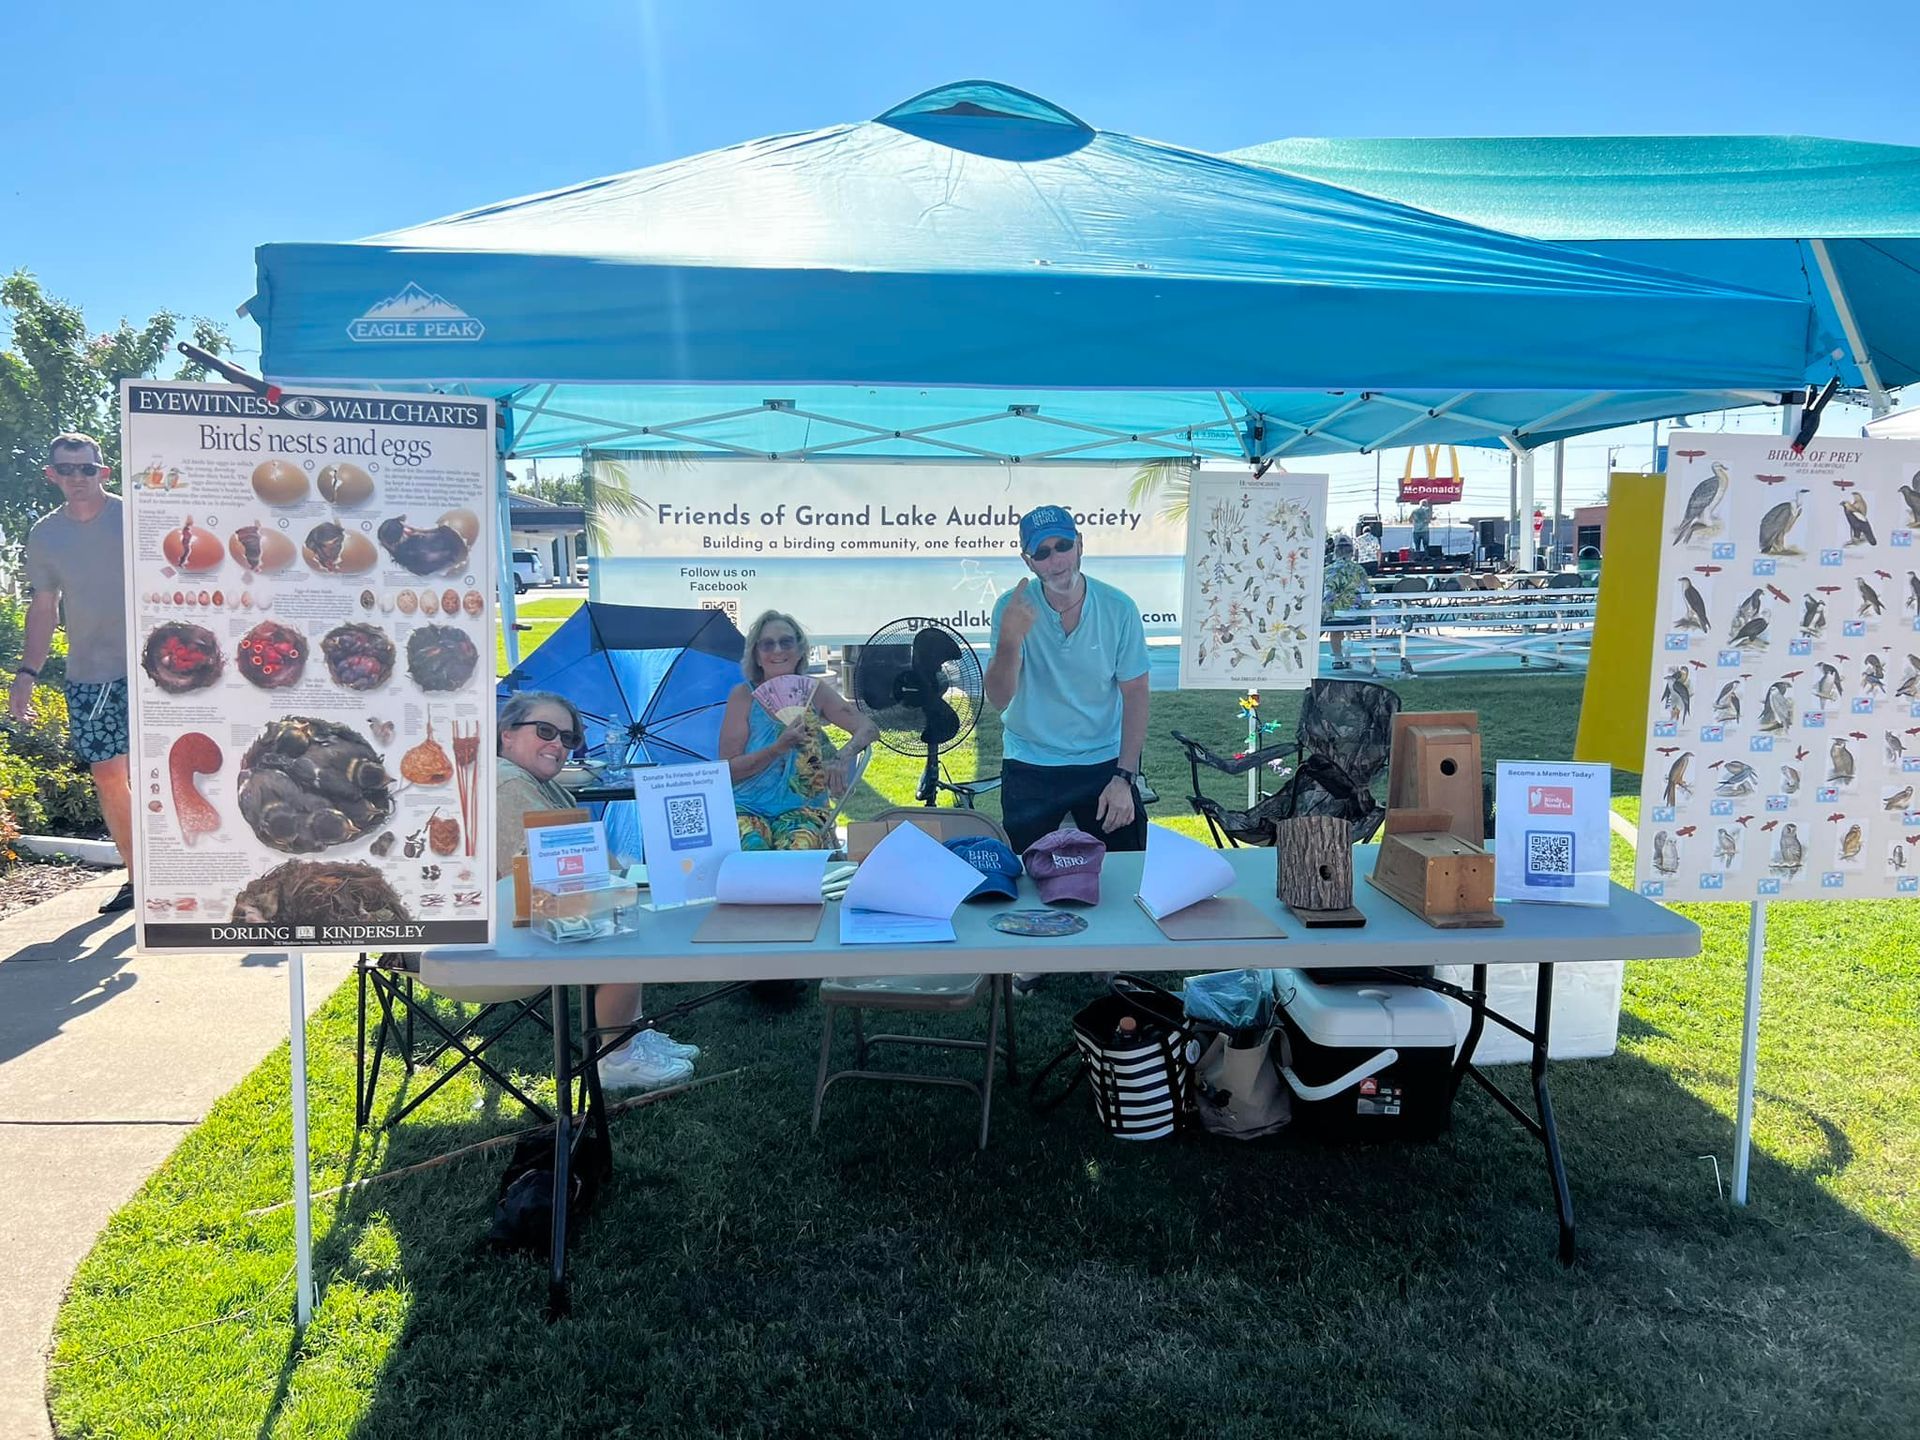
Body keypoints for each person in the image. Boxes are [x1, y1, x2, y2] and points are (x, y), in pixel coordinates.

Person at [497, 690, 695, 1090]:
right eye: (546, 731)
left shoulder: (533, 782)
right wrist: (627, 880)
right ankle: (617, 1055)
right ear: (507, 734)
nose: (559, 745)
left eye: (568, 739)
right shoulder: (510, 784)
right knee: (627, 917)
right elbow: (566, 871)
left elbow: (577, 857)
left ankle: (630, 1032)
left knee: (625, 896)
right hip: (505, 929)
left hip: (524, 909)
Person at [9, 434, 134, 913]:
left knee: (158, 773)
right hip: (91, 670)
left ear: (103, 472)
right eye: (68, 469)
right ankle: (136, 876)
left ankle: (177, 871)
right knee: (107, 775)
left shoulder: (131, 516)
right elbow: (44, 606)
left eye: (87, 469)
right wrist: (26, 672)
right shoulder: (46, 534)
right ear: (52, 475)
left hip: (156, 665)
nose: (77, 477)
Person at [987, 505, 1149, 857]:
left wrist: (1124, 778)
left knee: (1126, 871)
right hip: (1031, 761)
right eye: (1042, 552)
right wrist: (1010, 639)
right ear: (1028, 561)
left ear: (1080, 544)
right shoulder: (1011, 608)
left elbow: (1135, 694)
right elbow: (999, 698)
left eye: (1063, 546)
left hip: (1104, 761)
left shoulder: (1118, 607)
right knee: (1026, 880)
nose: (1056, 560)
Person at [719, 609, 876, 851]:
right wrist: (776, 749)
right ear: (757, 656)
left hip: (804, 808)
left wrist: (842, 756)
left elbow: (868, 728)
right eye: (767, 645)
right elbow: (728, 770)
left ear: (801, 650)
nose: (778, 650)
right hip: (747, 806)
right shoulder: (743, 697)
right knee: (752, 847)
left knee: (797, 852)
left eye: (786, 642)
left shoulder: (816, 691)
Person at [1322, 535, 1371, 671]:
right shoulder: (1359, 570)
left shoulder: (1327, 570)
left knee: (1335, 624)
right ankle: (1348, 656)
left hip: (1332, 616)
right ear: (1351, 551)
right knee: (1347, 618)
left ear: (1335, 552)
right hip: (1355, 616)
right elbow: (1367, 592)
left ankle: (1338, 658)